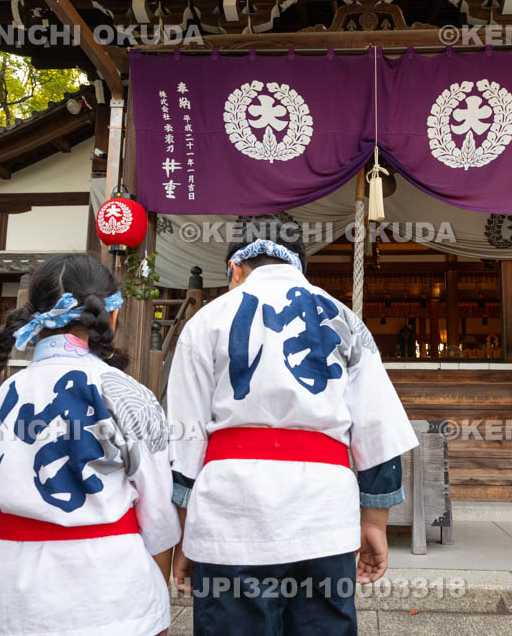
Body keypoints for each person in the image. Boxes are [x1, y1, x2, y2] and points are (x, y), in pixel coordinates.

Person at [167, 220, 418, 635]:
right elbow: (377, 429)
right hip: (325, 513)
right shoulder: (345, 320)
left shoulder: (205, 322)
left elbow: (184, 440)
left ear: (235, 267)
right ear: (299, 265)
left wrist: (185, 531)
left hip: (231, 512)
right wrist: (374, 523)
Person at [0, 254, 180, 635]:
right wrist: (153, 606)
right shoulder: (129, 395)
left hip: (6, 596)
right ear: (112, 316)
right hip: (111, 591)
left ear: (33, 318)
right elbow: (159, 516)